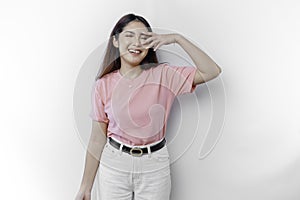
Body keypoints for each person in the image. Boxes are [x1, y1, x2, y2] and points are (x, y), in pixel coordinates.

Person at [75, 13, 221, 200]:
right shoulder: (103, 85)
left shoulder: (164, 75)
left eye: (143, 37)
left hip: (155, 165)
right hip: (114, 164)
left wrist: (177, 38)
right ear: (116, 41)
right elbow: (96, 139)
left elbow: (212, 70)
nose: (137, 43)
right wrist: (85, 187)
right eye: (129, 35)